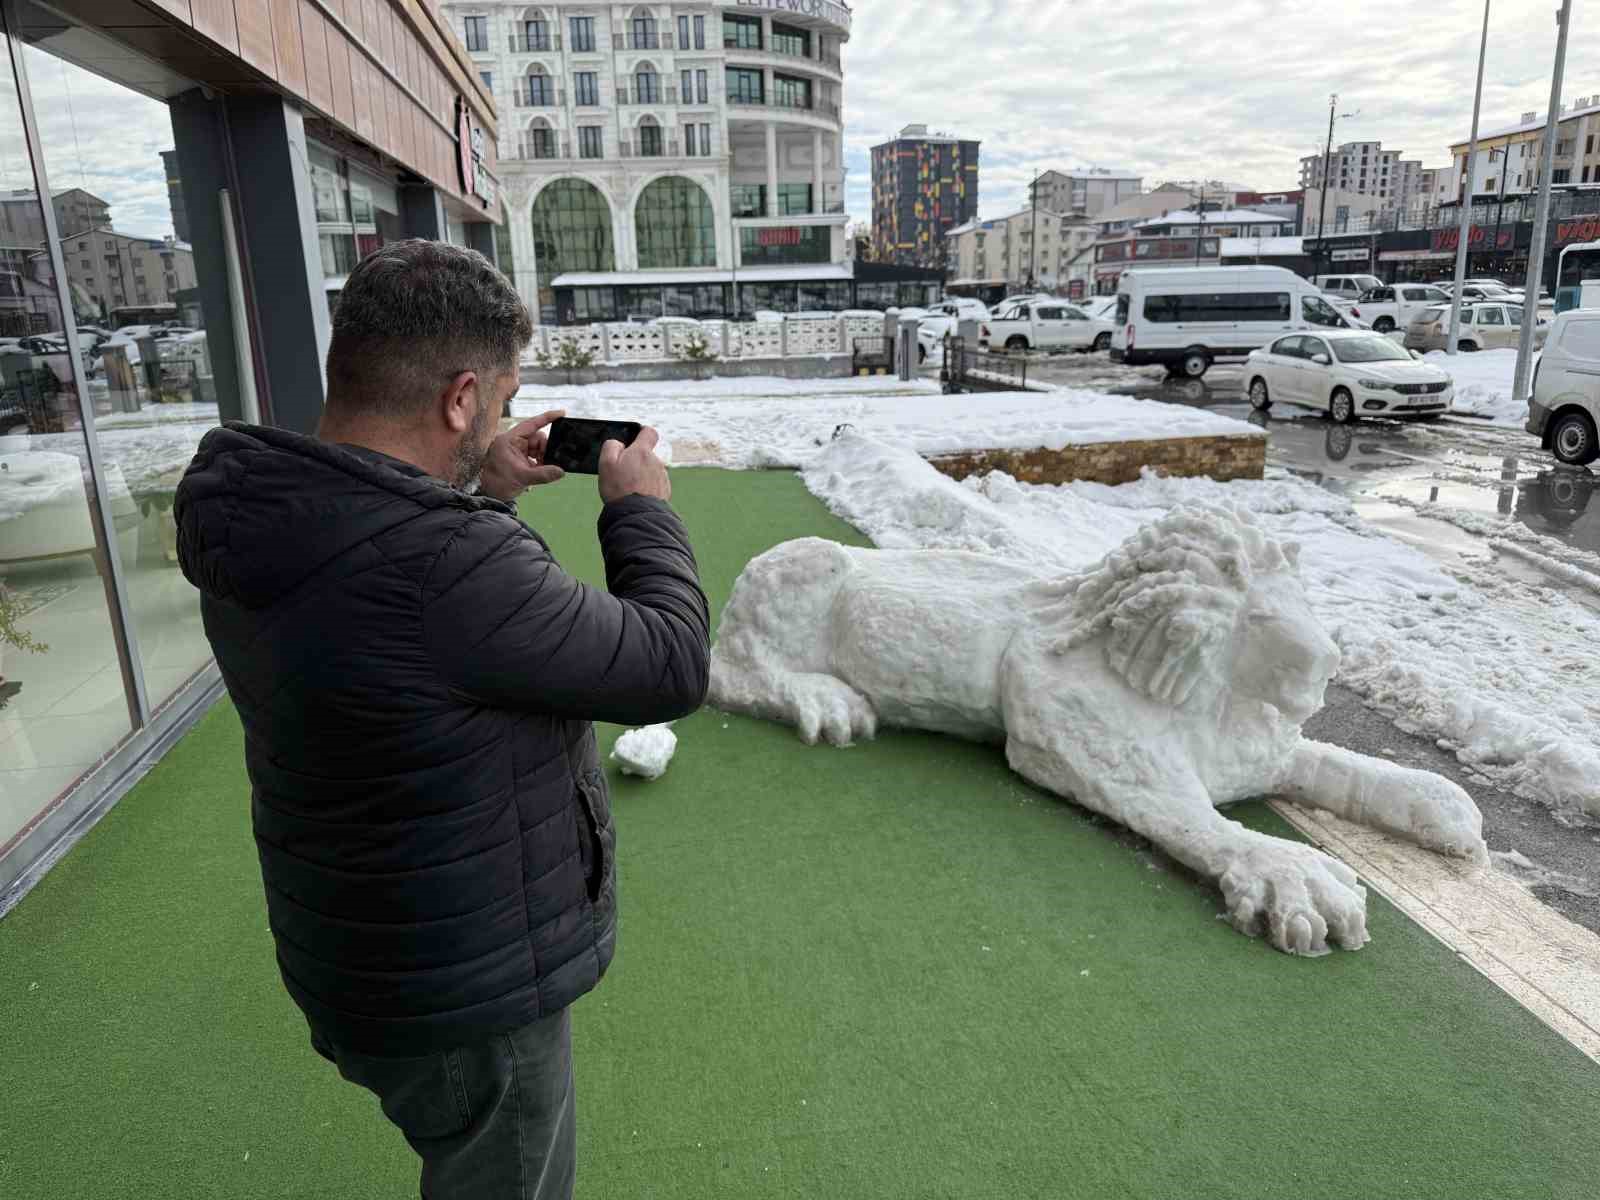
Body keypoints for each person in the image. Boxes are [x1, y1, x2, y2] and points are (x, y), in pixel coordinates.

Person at [174, 239, 710, 1199]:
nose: (501, 417)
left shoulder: (260, 512)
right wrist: (640, 510)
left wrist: (480, 486)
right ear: (461, 399)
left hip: (358, 952)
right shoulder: (449, 567)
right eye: (499, 400)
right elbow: (668, 663)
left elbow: (401, 607)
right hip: (466, 993)